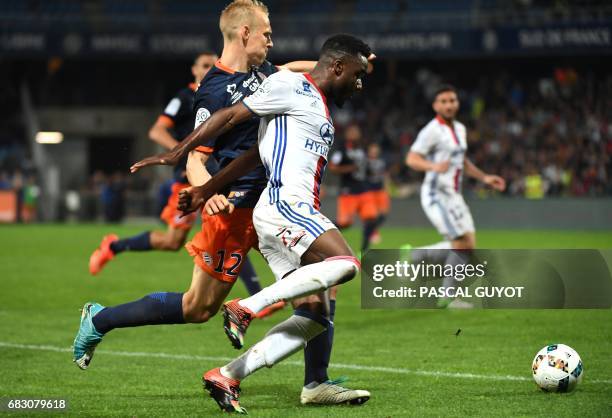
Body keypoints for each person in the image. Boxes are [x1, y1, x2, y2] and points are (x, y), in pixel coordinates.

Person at [73, 1, 362, 407]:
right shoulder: (213, 88)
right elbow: (196, 156)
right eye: (266, 33)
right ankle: (99, 318)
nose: (271, 40)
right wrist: (208, 192)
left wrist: (351, 57)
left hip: (276, 204)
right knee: (198, 307)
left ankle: (317, 381)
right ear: (245, 34)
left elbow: (310, 71)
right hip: (234, 207)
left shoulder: (267, 73)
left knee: (320, 291)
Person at [86, 51, 268, 299]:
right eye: (203, 65)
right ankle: (114, 246)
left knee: (228, 225)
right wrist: (185, 152)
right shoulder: (184, 98)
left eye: (211, 64)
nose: (208, 68)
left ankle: (258, 297)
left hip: (216, 176)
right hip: (190, 178)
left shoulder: (231, 91)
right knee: (175, 240)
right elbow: (156, 131)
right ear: (193, 70)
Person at [405, 84, 506, 308]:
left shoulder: (459, 129)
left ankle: (417, 256)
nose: (449, 105)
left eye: (453, 100)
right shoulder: (431, 130)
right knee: (461, 243)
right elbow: (412, 158)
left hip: (454, 195)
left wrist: (484, 178)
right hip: (436, 194)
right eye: (444, 101)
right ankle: (449, 297)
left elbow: (463, 161)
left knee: (467, 243)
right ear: (435, 106)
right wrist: (433, 166)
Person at [328, 124, 378, 253]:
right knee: (345, 223)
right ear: (348, 135)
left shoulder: (362, 149)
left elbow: (365, 167)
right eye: (353, 132)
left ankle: (364, 250)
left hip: (363, 189)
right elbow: (333, 167)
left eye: (357, 132)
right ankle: (323, 229)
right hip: (348, 191)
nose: (356, 134)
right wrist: (349, 169)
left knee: (372, 218)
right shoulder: (341, 151)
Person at [365, 142, 390, 244]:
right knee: (372, 215)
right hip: (370, 191)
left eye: (376, 151)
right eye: (372, 151)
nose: (374, 153)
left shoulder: (381, 162)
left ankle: (372, 231)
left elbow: (385, 175)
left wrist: (387, 187)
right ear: (369, 152)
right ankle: (373, 234)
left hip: (380, 191)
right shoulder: (365, 162)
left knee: (383, 214)